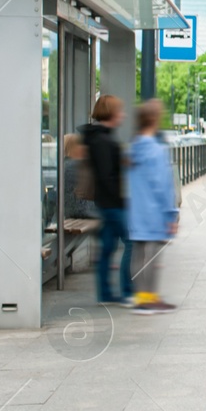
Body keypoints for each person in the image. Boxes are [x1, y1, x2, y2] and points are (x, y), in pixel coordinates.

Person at [127, 100, 179, 313]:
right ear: (155, 120)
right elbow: (163, 186)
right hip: (154, 212)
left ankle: (141, 297)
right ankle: (150, 299)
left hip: (136, 211)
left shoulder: (131, 150)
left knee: (139, 254)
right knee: (154, 255)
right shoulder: (157, 151)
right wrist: (171, 215)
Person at [83, 95, 131, 306]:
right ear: (111, 113)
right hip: (113, 203)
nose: (123, 115)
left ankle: (105, 293)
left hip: (106, 202)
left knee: (108, 246)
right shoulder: (103, 140)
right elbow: (107, 175)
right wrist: (122, 199)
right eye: (120, 111)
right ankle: (127, 291)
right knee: (132, 242)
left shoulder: (99, 137)